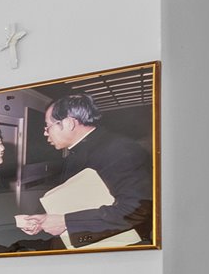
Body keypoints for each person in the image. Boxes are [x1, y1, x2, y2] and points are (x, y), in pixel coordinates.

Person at [16, 92, 154, 247]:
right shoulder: (80, 150)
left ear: (68, 123)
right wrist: (47, 219)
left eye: (48, 126)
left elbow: (137, 210)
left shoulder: (118, 149)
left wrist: (65, 222)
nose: (45, 132)